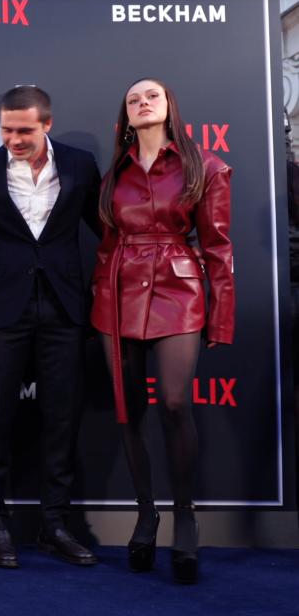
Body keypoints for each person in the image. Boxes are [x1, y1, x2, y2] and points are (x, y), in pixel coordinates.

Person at [0, 86, 101, 568]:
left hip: (64, 310)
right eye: (6, 129)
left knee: (61, 421)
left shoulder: (79, 166)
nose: (14, 138)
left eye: (24, 130)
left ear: (46, 125)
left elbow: (107, 229)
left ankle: (55, 525)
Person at [90, 78, 234, 584]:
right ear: (126, 115)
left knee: (175, 403)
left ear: (170, 105)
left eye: (151, 95)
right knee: (128, 410)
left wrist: (221, 316)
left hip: (179, 289)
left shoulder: (205, 166)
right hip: (119, 291)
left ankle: (185, 516)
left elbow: (218, 246)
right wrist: (99, 302)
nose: (142, 102)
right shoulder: (114, 176)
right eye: (132, 99)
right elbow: (107, 246)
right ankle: (146, 512)